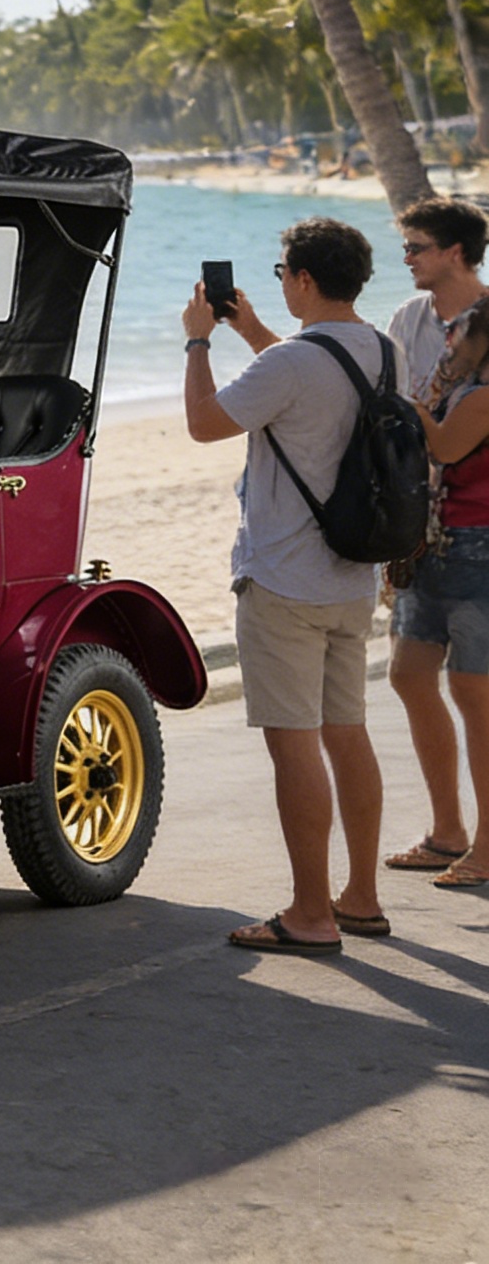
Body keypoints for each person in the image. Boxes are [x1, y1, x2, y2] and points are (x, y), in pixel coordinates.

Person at [183, 217, 391, 952]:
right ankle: (360, 896)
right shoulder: (380, 349)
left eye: (281, 273)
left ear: (303, 278)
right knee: (348, 733)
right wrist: (254, 331)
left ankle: (310, 912)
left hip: (284, 579)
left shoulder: (293, 363)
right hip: (352, 575)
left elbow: (206, 423)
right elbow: (311, 383)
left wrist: (198, 340)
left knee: (294, 744)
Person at [390, 296, 489, 888]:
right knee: (408, 673)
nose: (447, 339)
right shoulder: (464, 388)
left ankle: (483, 846)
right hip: (439, 543)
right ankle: (448, 830)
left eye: (458, 332)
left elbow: (446, 447)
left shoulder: (483, 397)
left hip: (478, 550)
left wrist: (407, 401)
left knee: (475, 698)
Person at [387, 197, 487, 396]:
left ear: (454, 253)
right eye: (406, 250)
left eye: (415, 249)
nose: (407, 260)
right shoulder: (408, 316)